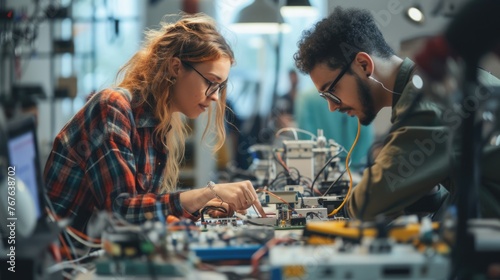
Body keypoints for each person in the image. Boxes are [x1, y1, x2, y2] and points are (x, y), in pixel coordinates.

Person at [43, 13, 265, 236]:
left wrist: (204, 209)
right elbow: (121, 212)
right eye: (211, 82)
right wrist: (208, 193)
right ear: (176, 67)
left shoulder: (157, 125)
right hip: (66, 262)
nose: (215, 97)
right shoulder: (112, 107)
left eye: (220, 87)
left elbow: (145, 210)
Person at [293, 7, 500, 221]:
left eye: (331, 92)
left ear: (364, 65)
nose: (332, 107)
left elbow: (368, 205)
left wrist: (342, 210)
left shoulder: (426, 100)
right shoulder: (425, 89)